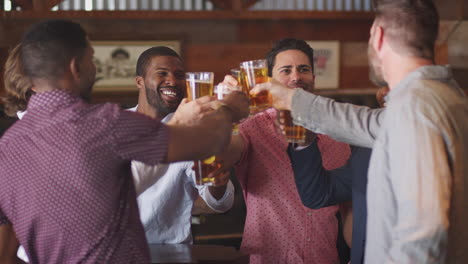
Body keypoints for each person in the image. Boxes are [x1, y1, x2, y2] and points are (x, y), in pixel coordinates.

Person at [0, 19, 248, 263]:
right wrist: (229, 109)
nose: (94, 67)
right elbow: (207, 141)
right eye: (91, 58)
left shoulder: (9, 144)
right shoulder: (106, 123)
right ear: (76, 67)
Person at [252, 1, 468, 263]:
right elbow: (365, 123)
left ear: (378, 36)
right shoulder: (445, 97)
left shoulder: (416, 107)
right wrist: (294, 108)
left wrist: (287, 98)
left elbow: (423, 236)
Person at [217, 38, 351, 264]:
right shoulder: (252, 128)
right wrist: (225, 112)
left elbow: (348, 210)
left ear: (314, 78)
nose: (296, 77)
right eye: (286, 70)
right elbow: (225, 157)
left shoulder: (337, 134)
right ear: (270, 80)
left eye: (303, 69)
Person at [130, 46, 235, 244]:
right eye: (162, 73)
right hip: (117, 251)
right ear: (140, 81)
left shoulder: (195, 132)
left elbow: (221, 203)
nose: (173, 81)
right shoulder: (116, 125)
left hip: (171, 252)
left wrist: (217, 186)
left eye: (179, 75)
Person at [289, 87, 389, 264]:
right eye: (384, 85)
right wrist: (305, 142)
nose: (383, 92)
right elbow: (317, 194)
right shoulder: (367, 149)